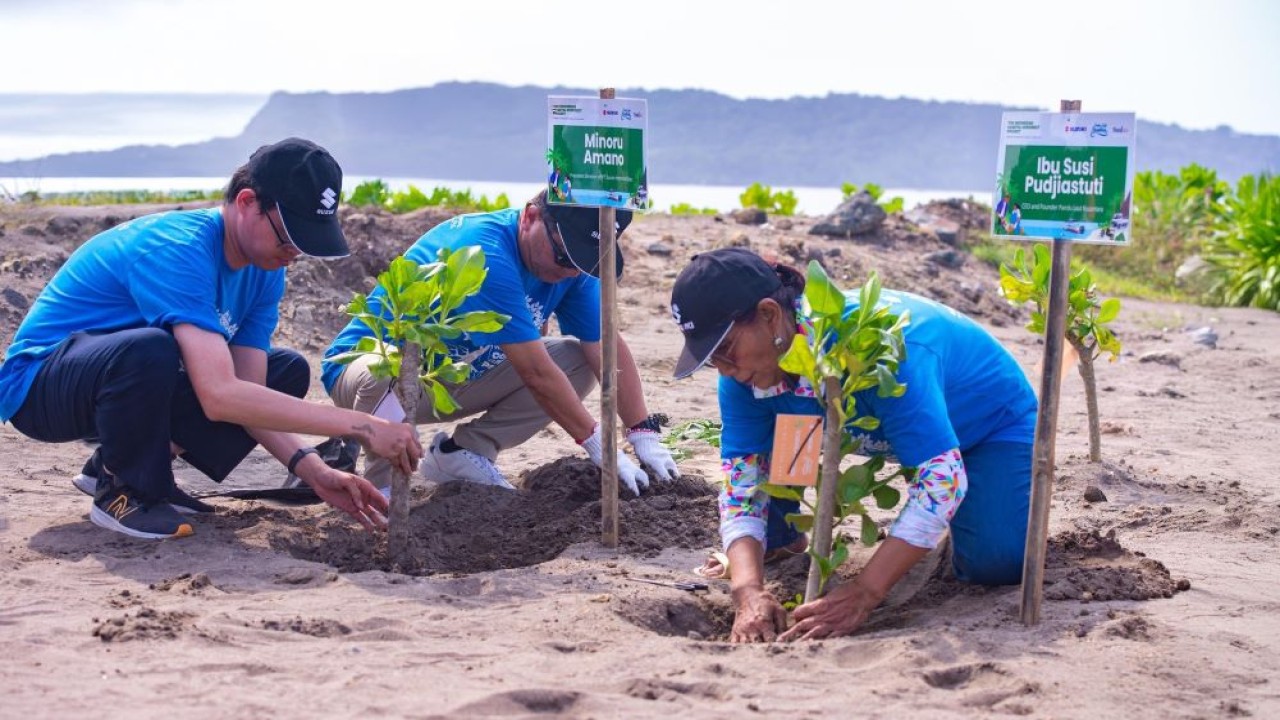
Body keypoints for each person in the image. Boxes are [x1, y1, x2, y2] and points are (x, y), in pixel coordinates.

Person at [0, 138, 422, 540]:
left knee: (284, 372)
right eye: (289, 235)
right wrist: (363, 425)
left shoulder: (265, 271)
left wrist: (315, 471)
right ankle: (125, 490)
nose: (295, 251)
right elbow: (220, 396)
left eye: (307, 240)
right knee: (151, 347)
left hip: (124, 390)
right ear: (246, 203)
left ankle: (121, 467)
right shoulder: (179, 250)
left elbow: (247, 397)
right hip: (41, 388)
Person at [669, 248, 1037, 642]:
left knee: (996, 564)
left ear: (769, 315)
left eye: (725, 351)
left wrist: (865, 592)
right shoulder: (745, 375)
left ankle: (968, 518)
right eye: (711, 360)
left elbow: (942, 480)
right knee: (769, 519)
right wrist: (746, 590)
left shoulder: (887, 352)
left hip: (988, 427)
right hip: (851, 420)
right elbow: (741, 484)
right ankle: (789, 539)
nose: (724, 370)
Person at [322, 189, 678, 494]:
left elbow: (605, 347)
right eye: (563, 256)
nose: (571, 270)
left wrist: (642, 433)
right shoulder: (487, 253)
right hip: (368, 376)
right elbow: (537, 373)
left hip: (454, 376)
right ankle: (382, 488)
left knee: (575, 362)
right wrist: (599, 445)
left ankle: (460, 453)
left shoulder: (576, 269)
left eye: (584, 262)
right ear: (530, 217)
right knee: (387, 370)